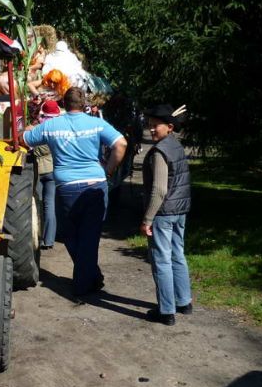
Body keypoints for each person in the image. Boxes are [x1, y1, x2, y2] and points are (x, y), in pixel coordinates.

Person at [20, 87, 128, 297]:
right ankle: (92, 277)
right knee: (90, 235)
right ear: (84, 103)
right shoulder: (96, 124)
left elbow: (24, 139)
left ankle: (81, 285)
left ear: (64, 104)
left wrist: (29, 125)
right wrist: (108, 170)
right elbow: (121, 143)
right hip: (96, 185)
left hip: (67, 188)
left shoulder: (51, 126)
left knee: (71, 235)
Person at [140, 104, 192, 326]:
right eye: (149, 125)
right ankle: (184, 302)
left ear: (169, 127)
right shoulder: (176, 146)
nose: (151, 130)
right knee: (177, 255)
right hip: (180, 211)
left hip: (163, 213)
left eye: (155, 126)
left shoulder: (160, 151)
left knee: (161, 260)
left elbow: (159, 189)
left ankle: (166, 311)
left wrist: (147, 219)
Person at [33, 100, 61, 249]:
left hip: (38, 171)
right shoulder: (58, 129)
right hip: (52, 170)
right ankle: (49, 240)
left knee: (37, 205)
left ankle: (37, 236)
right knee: (50, 206)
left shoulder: (39, 128)